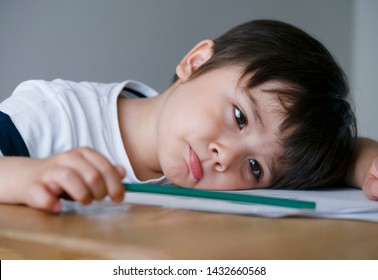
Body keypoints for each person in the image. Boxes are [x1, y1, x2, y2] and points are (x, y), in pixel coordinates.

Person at [0, 19, 377, 212]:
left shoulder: (214, 180)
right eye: (240, 117)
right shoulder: (54, 113)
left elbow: (318, 165)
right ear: (195, 63)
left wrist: (367, 161)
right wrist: (29, 176)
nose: (225, 157)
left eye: (255, 168)